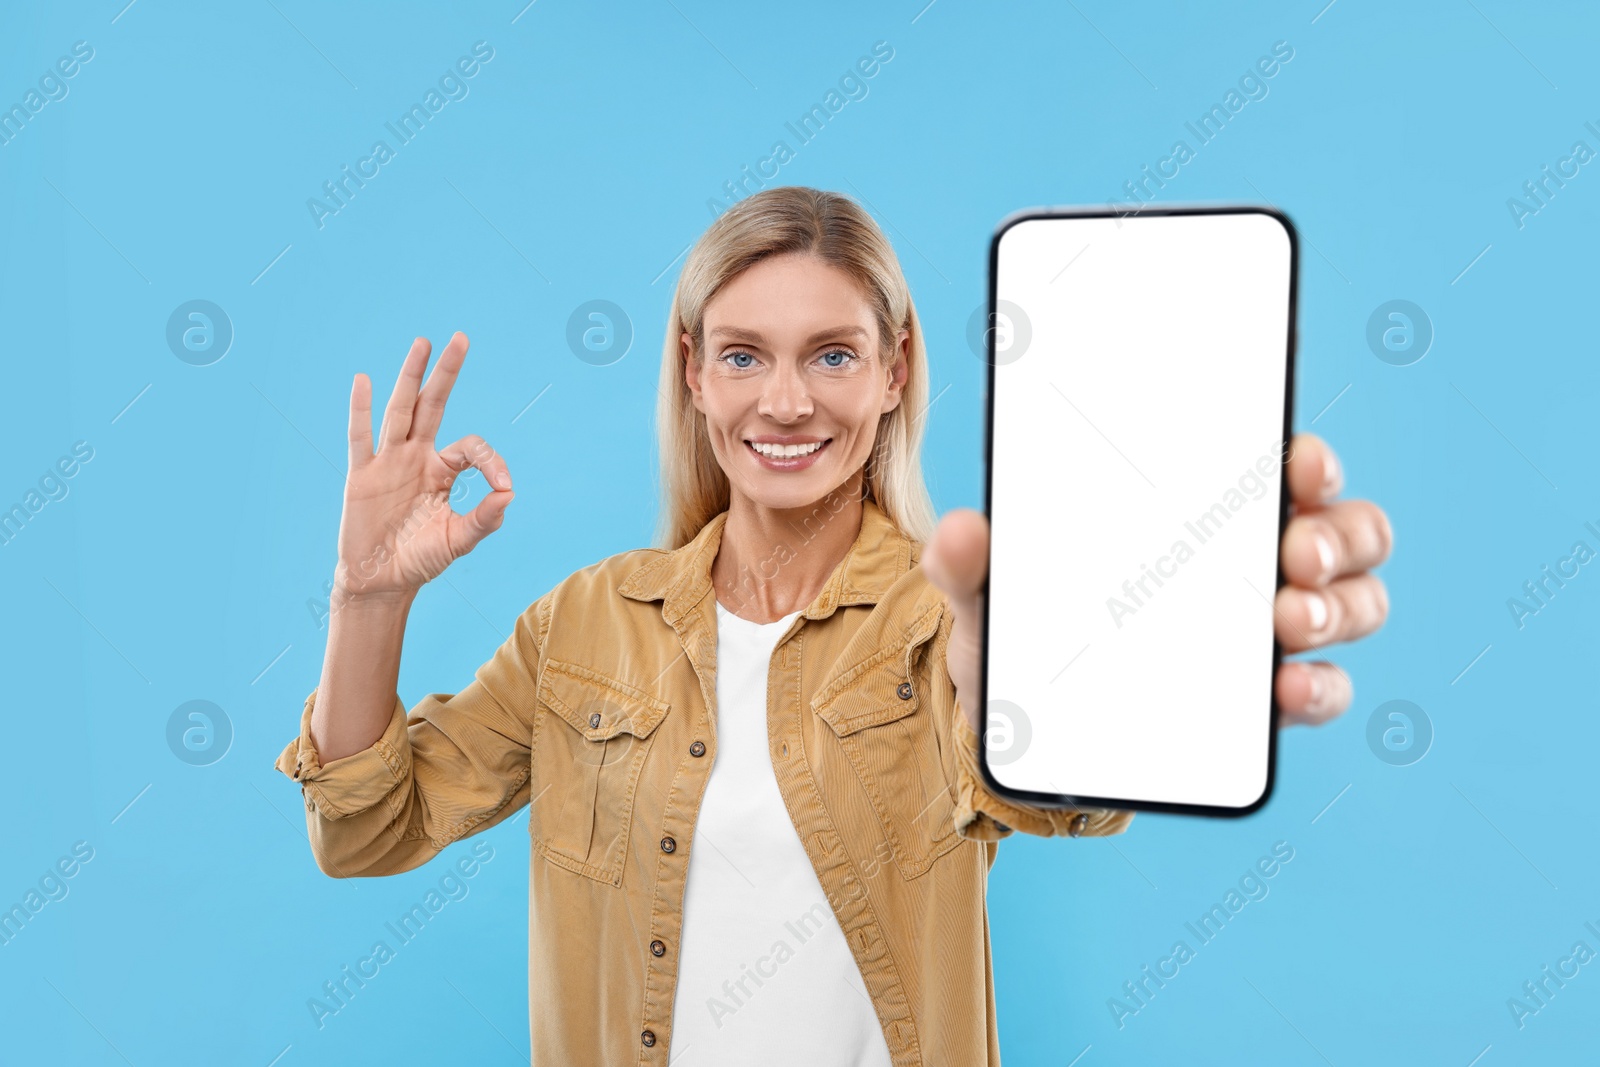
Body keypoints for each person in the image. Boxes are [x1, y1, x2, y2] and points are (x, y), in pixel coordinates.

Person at [274, 186, 1392, 1064]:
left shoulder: (944, 614)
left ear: (896, 370)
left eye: (834, 354)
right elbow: (367, 830)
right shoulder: (587, 621)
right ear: (695, 375)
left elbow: (1053, 791)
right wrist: (369, 596)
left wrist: (1090, 663)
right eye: (744, 354)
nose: (788, 401)